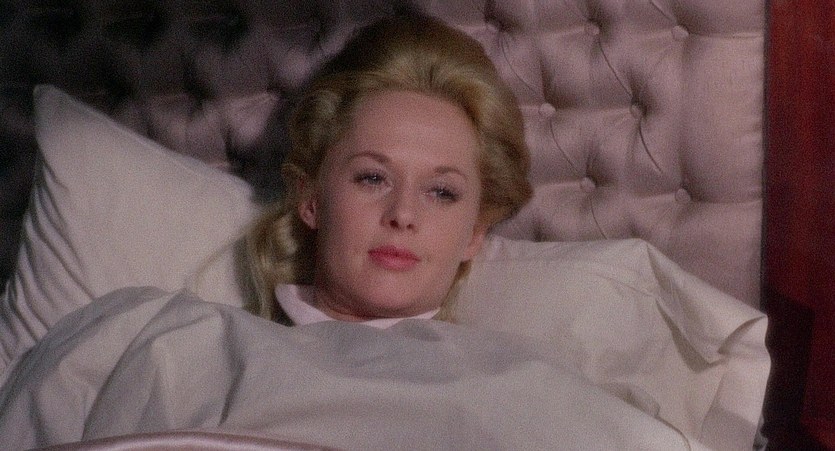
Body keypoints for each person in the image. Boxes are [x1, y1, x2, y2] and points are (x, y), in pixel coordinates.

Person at [244, 14, 531, 326]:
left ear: (475, 233)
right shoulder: (216, 337)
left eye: (441, 192)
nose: (403, 214)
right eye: (373, 178)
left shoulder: (505, 358)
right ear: (311, 199)